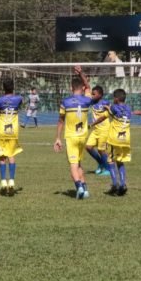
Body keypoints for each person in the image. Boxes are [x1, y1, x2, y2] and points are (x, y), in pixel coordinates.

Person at [53, 66, 93, 199]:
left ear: (71, 88)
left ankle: (79, 187)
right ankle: (85, 189)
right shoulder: (87, 100)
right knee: (80, 164)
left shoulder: (65, 102)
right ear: (82, 88)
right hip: (83, 137)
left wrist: (58, 138)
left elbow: (60, 121)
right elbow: (88, 87)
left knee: (73, 165)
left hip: (71, 138)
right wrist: (81, 72)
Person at [91, 88, 132, 196]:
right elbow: (119, 113)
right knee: (120, 161)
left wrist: (93, 124)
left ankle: (115, 184)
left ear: (117, 99)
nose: (113, 99)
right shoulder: (128, 108)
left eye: (114, 97)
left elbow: (103, 117)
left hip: (115, 138)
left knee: (110, 160)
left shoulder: (113, 107)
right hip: (126, 139)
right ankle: (123, 184)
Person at [85, 85, 110, 176]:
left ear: (100, 95)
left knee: (101, 150)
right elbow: (87, 84)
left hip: (104, 130)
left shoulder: (105, 103)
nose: (92, 95)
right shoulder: (92, 102)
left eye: (94, 94)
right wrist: (80, 74)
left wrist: (91, 124)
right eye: (92, 94)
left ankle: (108, 169)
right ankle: (101, 163)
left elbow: (105, 116)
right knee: (88, 147)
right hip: (96, 130)